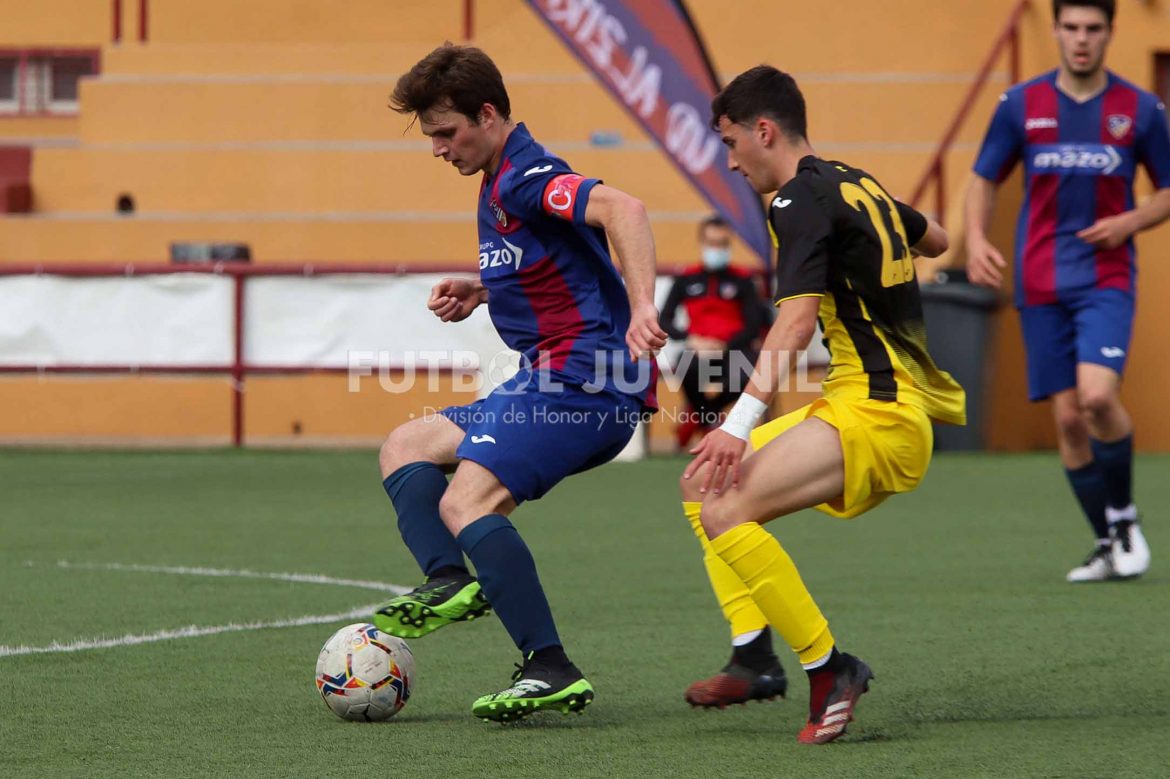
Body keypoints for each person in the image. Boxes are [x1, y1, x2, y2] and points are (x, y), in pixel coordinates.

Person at [372, 43, 667, 722]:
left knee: (467, 500)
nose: (438, 148)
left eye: (447, 132)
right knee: (407, 444)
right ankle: (450, 579)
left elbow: (624, 210)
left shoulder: (527, 175)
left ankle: (548, 666)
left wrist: (643, 307)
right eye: (431, 136)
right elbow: (558, 261)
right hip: (548, 378)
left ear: (488, 114)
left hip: (585, 381)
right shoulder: (499, 177)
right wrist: (484, 289)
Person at [679, 65, 965, 744]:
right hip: (870, 401)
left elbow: (796, 321)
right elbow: (938, 240)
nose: (731, 162)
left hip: (878, 412)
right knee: (702, 485)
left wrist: (737, 422)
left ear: (764, 131)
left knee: (724, 508)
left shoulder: (793, 201)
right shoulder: (854, 183)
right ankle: (753, 655)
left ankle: (829, 668)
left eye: (730, 143)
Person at [965, 0, 1170, 582]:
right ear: (1056, 31)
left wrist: (1129, 222)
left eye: (1093, 29)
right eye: (1072, 28)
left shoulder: (1141, 108)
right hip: (1040, 281)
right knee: (1070, 421)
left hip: (1106, 280)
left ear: (1110, 32)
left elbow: (1167, 189)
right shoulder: (1019, 105)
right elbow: (983, 178)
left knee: (1097, 398)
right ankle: (1108, 545)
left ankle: (1124, 518)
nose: (1082, 39)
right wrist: (975, 240)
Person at [659, 215, 768, 447]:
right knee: (685, 368)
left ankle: (703, 416)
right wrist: (692, 340)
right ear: (702, 243)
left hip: (734, 349)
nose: (717, 249)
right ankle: (710, 420)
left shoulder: (743, 280)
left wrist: (725, 346)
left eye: (722, 244)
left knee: (750, 374)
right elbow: (665, 319)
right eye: (712, 243)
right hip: (698, 350)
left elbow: (754, 325)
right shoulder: (686, 278)